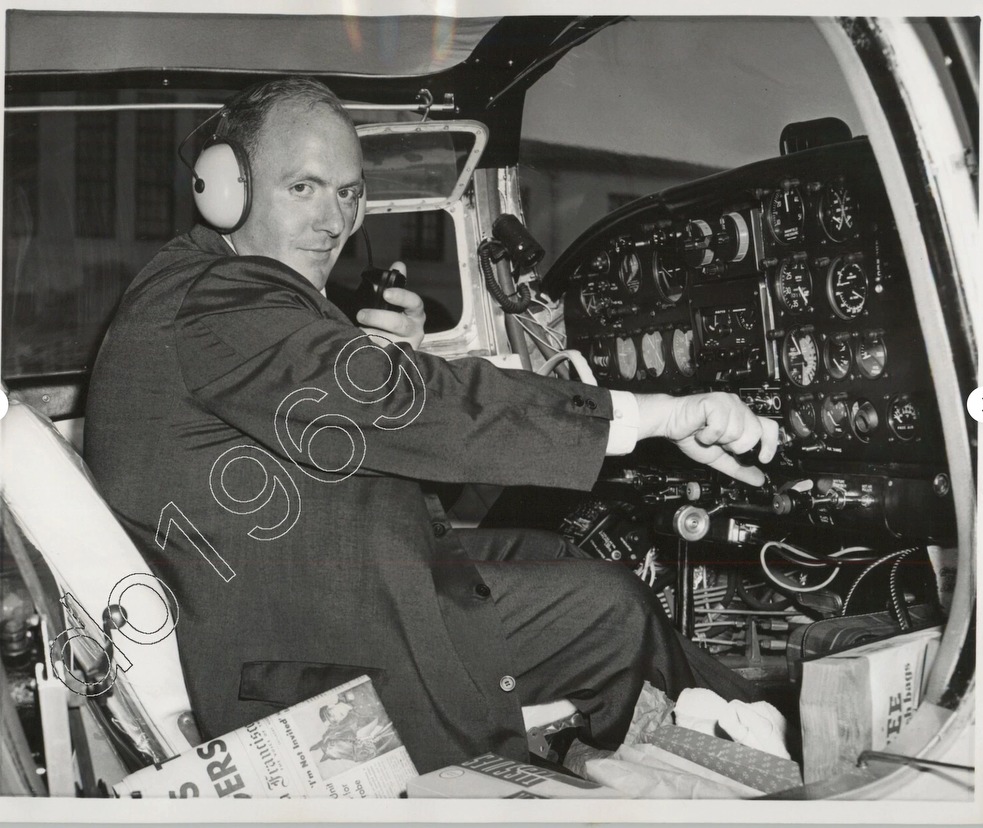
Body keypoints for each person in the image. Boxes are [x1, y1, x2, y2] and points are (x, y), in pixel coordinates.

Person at [84, 77, 778, 773]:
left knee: (559, 554)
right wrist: (656, 414)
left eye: (348, 193)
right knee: (611, 609)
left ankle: (739, 729)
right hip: (300, 656)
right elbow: (407, 403)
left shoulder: (209, 286)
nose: (333, 222)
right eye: (303, 188)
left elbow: (351, 419)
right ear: (223, 189)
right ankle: (764, 769)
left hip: (296, 582)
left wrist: (390, 362)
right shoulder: (216, 302)